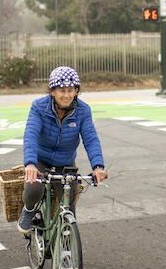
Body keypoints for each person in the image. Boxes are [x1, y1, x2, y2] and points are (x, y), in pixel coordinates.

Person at [17, 66, 107, 233]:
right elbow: (31, 135)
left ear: (76, 91)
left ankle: (66, 241)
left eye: (71, 90)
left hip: (65, 161)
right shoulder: (39, 107)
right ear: (52, 92)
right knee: (34, 190)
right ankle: (29, 210)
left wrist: (98, 166)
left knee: (69, 201)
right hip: (40, 159)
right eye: (62, 90)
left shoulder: (83, 110)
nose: (67, 95)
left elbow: (91, 139)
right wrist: (30, 164)